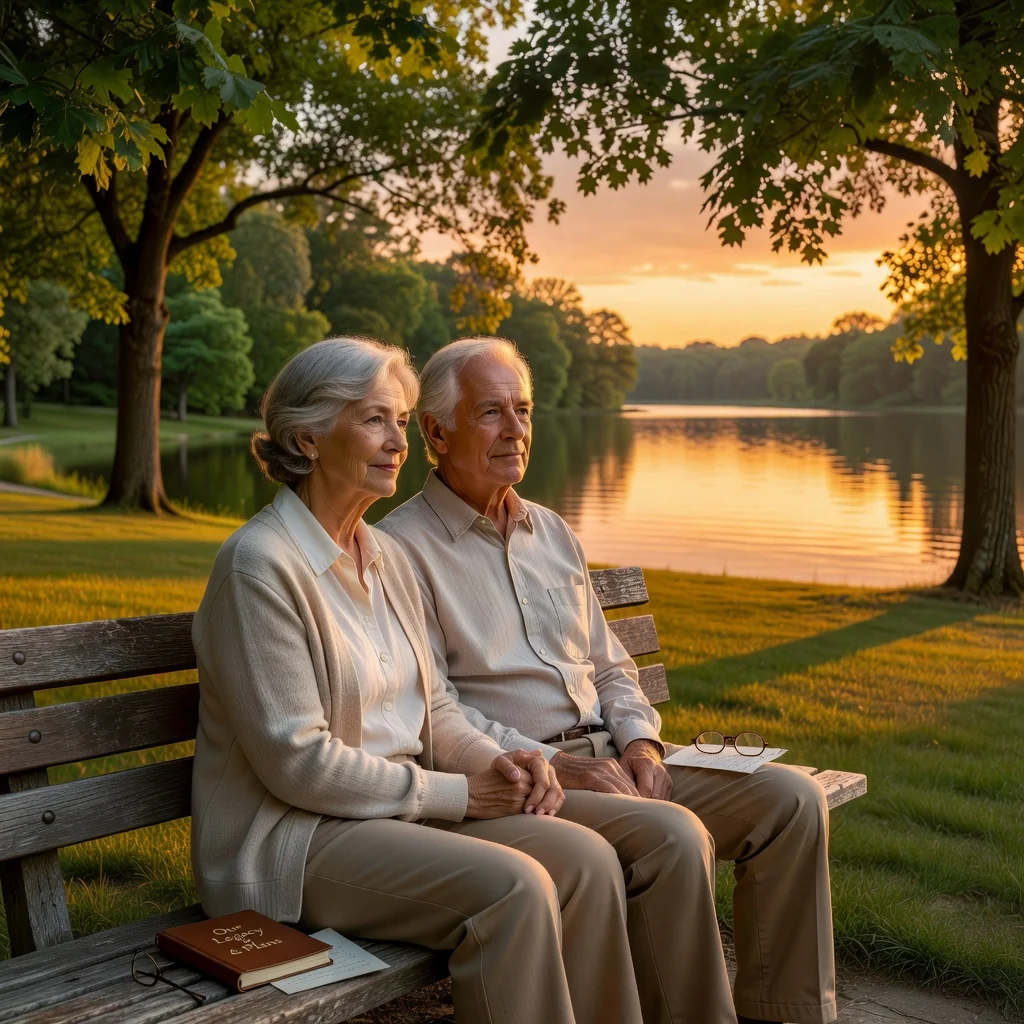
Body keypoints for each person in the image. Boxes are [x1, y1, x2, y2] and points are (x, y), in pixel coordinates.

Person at [378, 336, 838, 1024]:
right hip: (526, 781)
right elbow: (435, 717)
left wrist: (642, 747)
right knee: (674, 837)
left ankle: (789, 1012)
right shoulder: (399, 550)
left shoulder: (553, 532)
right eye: (491, 413)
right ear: (437, 432)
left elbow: (612, 666)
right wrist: (564, 764)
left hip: (615, 757)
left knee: (791, 799)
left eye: (524, 410)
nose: (516, 430)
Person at [191, 337, 646, 1024]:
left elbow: (434, 707)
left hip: (393, 813)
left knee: (583, 860)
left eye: (401, 421)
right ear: (308, 438)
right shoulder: (260, 566)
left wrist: (506, 763)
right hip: (294, 841)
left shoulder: (386, 556)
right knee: (514, 888)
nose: (397, 442)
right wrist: (462, 793)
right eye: (374, 419)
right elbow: (299, 764)